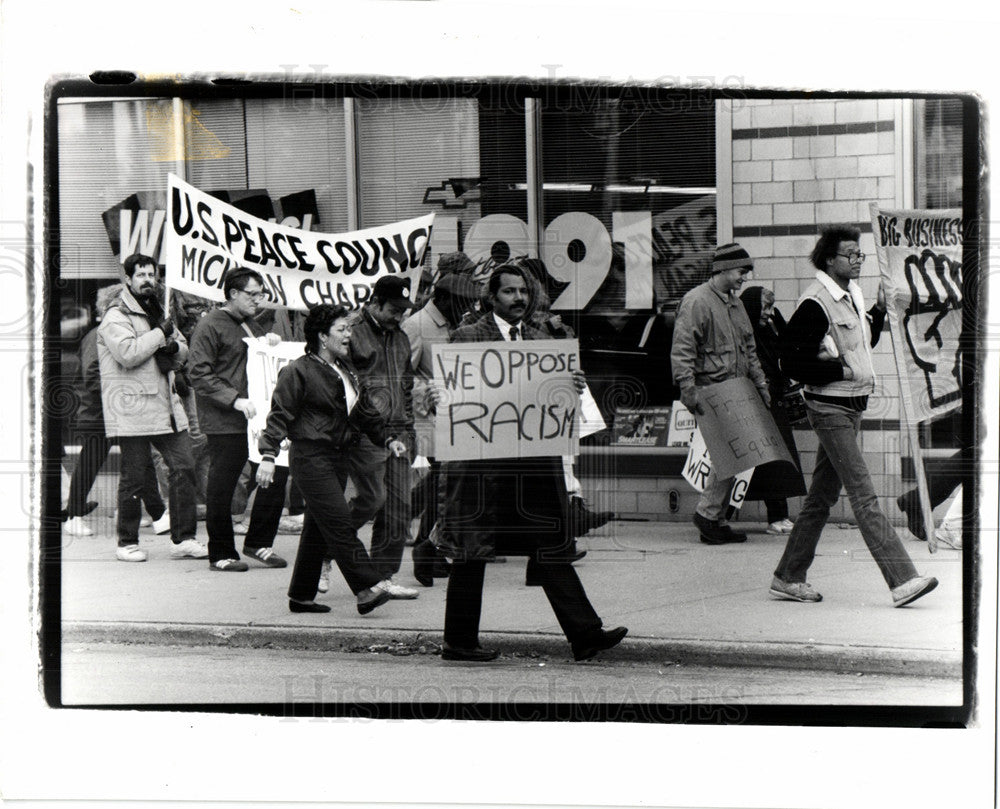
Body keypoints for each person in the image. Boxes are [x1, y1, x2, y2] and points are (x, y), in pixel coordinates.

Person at [437, 263, 628, 662]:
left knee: (551, 544)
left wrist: (570, 387)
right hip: (483, 465)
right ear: (492, 297)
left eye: (523, 292)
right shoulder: (468, 337)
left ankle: (585, 635)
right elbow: (451, 397)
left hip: (530, 466)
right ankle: (458, 641)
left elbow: (551, 405)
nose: (518, 299)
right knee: (472, 550)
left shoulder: (542, 342)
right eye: (509, 292)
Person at [771, 225, 938, 607]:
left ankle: (787, 576)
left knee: (820, 498)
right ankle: (903, 580)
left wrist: (878, 309)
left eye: (859, 254)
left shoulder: (850, 295)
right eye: (850, 254)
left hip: (850, 407)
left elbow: (865, 341)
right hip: (829, 408)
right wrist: (841, 372)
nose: (857, 260)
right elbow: (788, 360)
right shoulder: (816, 302)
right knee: (864, 496)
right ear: (830, 259)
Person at [255, 304, 410, 615]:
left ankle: (301, 596)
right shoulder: (298, 371)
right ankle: (367, 588)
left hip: (336, 458)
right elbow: (279, 415)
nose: (349, 336)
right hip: (311, 459)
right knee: (339, 523)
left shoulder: (345, 369)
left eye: (349, 329)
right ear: (322, 337)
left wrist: (389, 439)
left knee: (318, 527)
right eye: (342, 330)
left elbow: (364, 411)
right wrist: (268, 455)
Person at [96, 254, 207, 562]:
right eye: (141, 274)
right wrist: (161, 334)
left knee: (184, 468)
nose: (147, 279)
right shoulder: (115, 316)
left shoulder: (159, 309)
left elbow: (183, 348)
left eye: (152, 274)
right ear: (128, 280)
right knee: (134, 477)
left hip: (167, 407)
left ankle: (183, 538)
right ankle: (127, 543)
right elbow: (128, 353)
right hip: (132, 408)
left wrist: (174, 347)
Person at [188, 267, 288, 572]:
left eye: (261, 293)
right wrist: (233, 399)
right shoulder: (210, 325)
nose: (259, 299)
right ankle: (220, 552)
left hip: (254, 419)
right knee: (223, 484)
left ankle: (258, 542)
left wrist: (270, 343)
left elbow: (260, 363)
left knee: (276, 473)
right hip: (225, 420)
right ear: (233, 294)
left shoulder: (250, 325)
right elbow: (198, 373)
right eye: (252, 293)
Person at [670, 243, 770, 545]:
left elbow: (750, 351)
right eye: (742, 271)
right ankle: (708, 514)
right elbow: (683, 348)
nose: (744, 278)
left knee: (737, 456)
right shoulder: (696, 301)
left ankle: (715, 518)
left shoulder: (735, 304)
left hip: (736, 391)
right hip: (710, 390)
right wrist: (688, 390)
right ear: (723, 269)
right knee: (728, 456)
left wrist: (762, 386)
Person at [333, 275, 419, 598]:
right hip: (366, 432)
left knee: (399, 505)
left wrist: (409, 427)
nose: (399, 316)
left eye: (403, 310)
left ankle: (383, 575)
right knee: (373, 499)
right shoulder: (351, 332)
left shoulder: (400, 338)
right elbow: (343, 384)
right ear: (375, 302)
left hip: (398, 430)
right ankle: (330, 544)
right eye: (394, 309)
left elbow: (406, 385)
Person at [63, 283, 167, 537]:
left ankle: (158, 514)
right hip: (100, 413)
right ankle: (73, 514)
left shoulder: (110, 332)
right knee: (93, 462)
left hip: (115, 410)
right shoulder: (98, 335)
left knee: (139, 461)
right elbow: (92, 376)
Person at [401, 271, 479, 586]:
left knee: (441, 486)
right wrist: (428, 391)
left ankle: (425, 541)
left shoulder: (459, 324)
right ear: (444, 299)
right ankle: (426, 546)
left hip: (454, 415)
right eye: (461, 303)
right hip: (427, 418)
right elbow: (402, 375)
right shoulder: (417, 326)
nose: (466, 309)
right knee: (442, 486)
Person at [738, 286, 807, 534]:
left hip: (772, 400)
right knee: (768, 463)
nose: (768, 313)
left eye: (771, 307)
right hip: (758, 403)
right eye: (765, 307)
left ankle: (778, 515)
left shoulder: (769, 330)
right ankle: (775, 517)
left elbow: (787, 348)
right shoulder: (746, 335)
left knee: (776, 462)